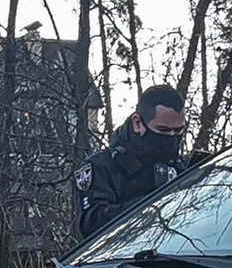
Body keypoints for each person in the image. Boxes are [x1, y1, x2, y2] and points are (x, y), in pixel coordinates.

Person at [73, 83, 190, 240]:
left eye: (178, 131)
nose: (171, 137)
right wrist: (150, 204)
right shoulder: (101, 167)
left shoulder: (183, 167)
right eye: (163, 130)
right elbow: (91, 224)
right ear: (137, 122)